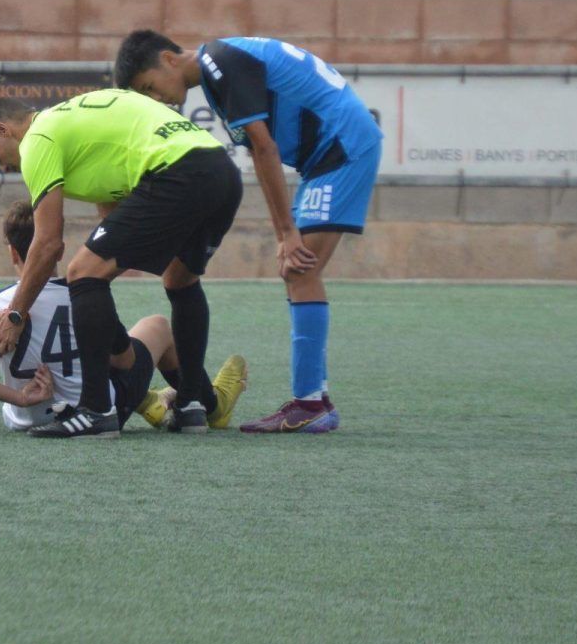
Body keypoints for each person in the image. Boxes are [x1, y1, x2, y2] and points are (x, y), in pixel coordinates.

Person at [117, 31, 381, 435]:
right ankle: (312, 401)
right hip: (333, 151)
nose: (160, 99)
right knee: (299, 272)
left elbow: (264, 148)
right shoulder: (220, 66)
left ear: (169, 59)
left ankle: (311, 404)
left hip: (342, 147)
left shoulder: (220, 64)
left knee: (300, 268)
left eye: (150, 87)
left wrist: (286, 232)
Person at [0, 87, 242, 439]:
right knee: (180, 280)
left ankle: (96, 410)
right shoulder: (73, 126)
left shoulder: (37, 138)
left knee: (81, 272)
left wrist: (17, 312)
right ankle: (191, 405)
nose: (4, 167)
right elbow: (113, 217)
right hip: (220, 170)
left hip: (177, 172)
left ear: (5, 130)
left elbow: (49, 242)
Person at [0, 202, 247, 432]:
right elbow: (125, 362)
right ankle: (210, 403)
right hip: (98, 410)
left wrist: (19, 398)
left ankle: (153, 401)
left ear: (12, 254)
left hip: (23, 419)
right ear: (58, 251)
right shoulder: (86, 295)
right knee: (157, 327)